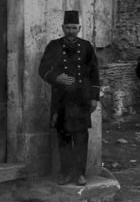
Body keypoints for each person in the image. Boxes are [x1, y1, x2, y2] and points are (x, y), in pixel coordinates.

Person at [39, 11, 101, 186]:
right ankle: (66, 173)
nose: (71, 31)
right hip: (62, 99)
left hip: (81, 99)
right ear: (62, 28)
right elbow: (42, 69)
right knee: (64, 136)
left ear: (79, 28)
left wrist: (94, 98)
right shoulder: (54, 46)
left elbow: (94, 73)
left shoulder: (86, 46)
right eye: (68, 28)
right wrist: (56, 77)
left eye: (74, 28)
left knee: (81, 137)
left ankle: (80, 174)